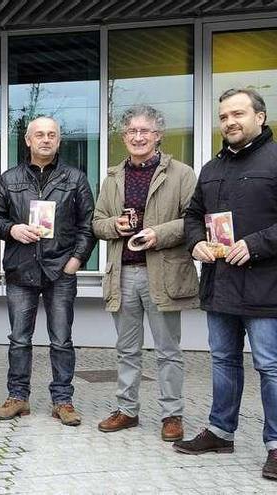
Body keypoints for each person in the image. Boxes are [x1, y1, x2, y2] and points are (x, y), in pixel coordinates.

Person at [177, 87, 277, 481]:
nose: (230, 122)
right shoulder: (212, 167)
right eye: (223, 116)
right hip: (220, 285)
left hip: (267, 286)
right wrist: (196, 242)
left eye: (238, 114)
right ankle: (221, 431)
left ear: (260, 117)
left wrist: (254, 245)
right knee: (223, 361)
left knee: (270, 366)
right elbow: (192, 215)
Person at [91, 105, 198, 442]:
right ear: (124, 137)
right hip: (122, 274)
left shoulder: (181, 174)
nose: (137, 137)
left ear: (158, 135)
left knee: (168, 350)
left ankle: (172, 415)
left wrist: (158, 234)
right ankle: (127, 410)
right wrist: (115, 225)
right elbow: (96, 223)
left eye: (144, 131)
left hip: (162, 274)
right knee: (126, 349)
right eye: (131, 132)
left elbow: (193, 220)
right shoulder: (112, 177)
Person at [0, 116, 95, 426]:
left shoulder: (75, 179)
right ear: (28, 140)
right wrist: (13, 229)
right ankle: (17, 397)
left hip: (60, 269)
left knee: (61, 339)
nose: (45, 139)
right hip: (21, 269)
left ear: (59, 141)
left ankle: (62, 400)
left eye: (51, 135)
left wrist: (76, 260)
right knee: (19, 339)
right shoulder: (9, 179)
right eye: (39, 135)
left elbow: (86, 225)